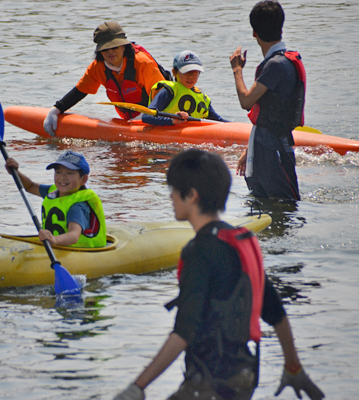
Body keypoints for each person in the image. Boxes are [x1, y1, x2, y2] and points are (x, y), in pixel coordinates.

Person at [114, 149, 324, 400]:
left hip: (211, 380)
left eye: (174, 190)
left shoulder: (199, 250)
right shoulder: (243, 240)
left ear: (191, 196)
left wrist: (137, 386)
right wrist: (293, 367)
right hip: (245, 375)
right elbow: (276, 312)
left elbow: (184, 331)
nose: (170, 197)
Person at [230, 0, 305, 201]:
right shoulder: (282, 61)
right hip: (265, 147)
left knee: (286, 204)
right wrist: (250, 149)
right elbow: (268, 112)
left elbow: (246, 101)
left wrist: (237, 70)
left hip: (273, 150)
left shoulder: (276, 65)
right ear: (281, 27)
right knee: (267, 206)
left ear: (254, 32)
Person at [44, 21, 169, 135]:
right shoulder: (98, 67)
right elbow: (80, 91)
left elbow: (163, 96)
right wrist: (56, 109)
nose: (110, 52)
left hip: (159, 115)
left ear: (124, 46)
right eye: (105, 49)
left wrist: (144, 117)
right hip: (131, 122)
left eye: (115, 47)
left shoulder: (142, 63)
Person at [5, 150, 106, 248]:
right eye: (58, 172)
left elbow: (74, 235)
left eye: (69, 173)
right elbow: (29, 186)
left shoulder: (77, 206)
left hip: (77, 249)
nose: (62, 177)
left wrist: (55, 240)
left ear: (83, 179)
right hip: (55, 245)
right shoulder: (53, 191)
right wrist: (16, 172)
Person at [143, 50, 228, 126]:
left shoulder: (202, 98)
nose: (191, 76)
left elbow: (219, 121)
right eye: (187, 71)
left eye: (195, 72)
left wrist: (237, 125)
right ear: (174, 72)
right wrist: (172, 121)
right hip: (166, 133)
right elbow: (146, 117)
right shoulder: (168, 91)